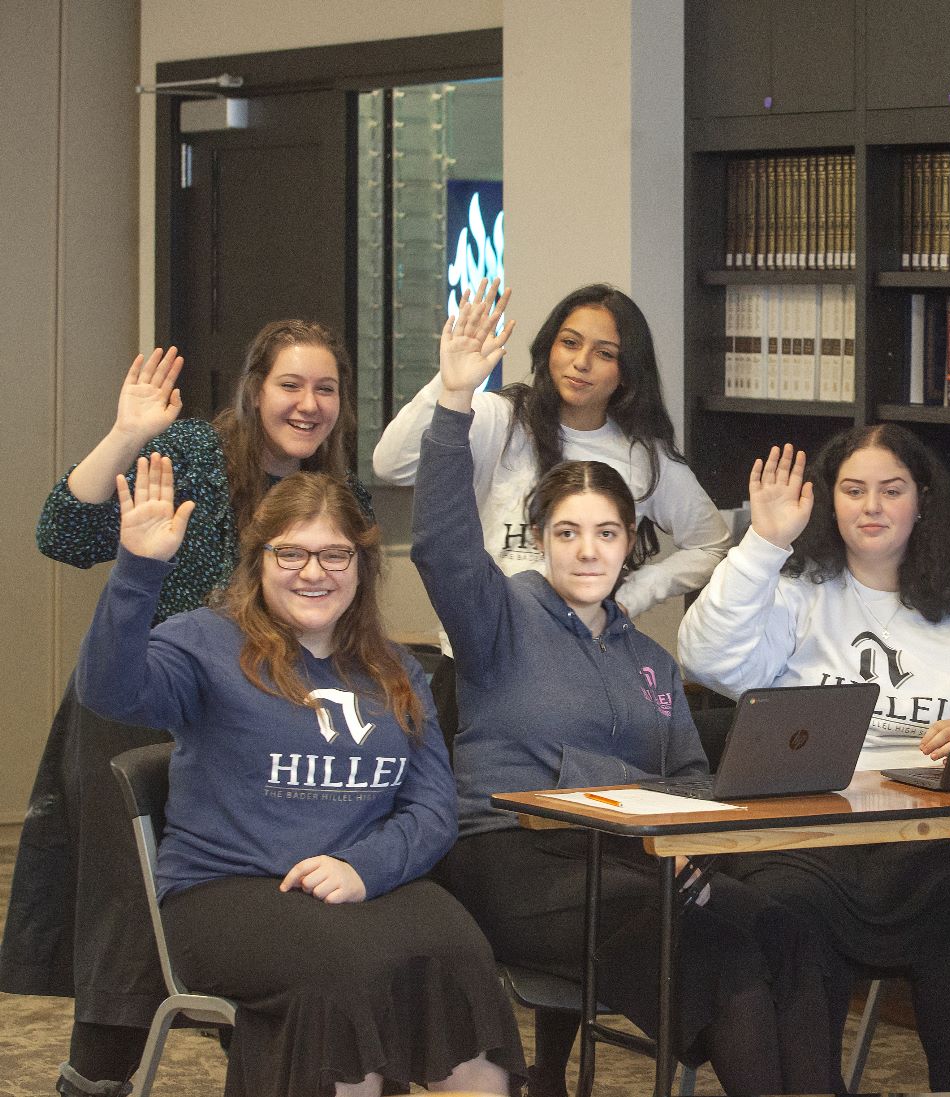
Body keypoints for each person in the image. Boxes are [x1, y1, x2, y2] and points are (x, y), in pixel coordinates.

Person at [410, 290, 832, 1097]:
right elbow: (438, 540)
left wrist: (686, 837)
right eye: (566, 532)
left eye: (607, 533)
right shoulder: (500, 616)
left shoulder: (646, 655)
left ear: (632, 544)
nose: (587, 550)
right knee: (728, 958)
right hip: (512, 857)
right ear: (539, 541)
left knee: (788, 932)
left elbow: (688, 773)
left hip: (632, 863)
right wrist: (454, 400)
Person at [2, 322, 373, 1097]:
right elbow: (63, 532)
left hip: (253, 730)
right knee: (129, 924)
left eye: (325, 388)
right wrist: (126, 435)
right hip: (140, 710)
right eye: (290, 385)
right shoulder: (197, 455)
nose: (308, 404)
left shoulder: (341, 494)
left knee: (259, 905)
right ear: (254, 387)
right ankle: (92, 1083)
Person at [75, 462, 525, 1096]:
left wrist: (363, 868)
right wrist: (138, 570)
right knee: (343, 973)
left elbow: (431, 811)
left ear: (363, 566)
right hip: (224, 890)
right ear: (259, 560)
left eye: (336, 555)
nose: (314, 573)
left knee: (461, 954)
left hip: (361, 883)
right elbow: (107, 691)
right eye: (291, 553)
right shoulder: (205, 643)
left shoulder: (396, 667)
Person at [676, 426, 950, 1091]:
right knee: (786, 910)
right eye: (853, 489)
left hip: (930, 839)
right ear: (828, 500)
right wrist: (763, 544)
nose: (871, 506)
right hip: (805, 837)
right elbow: (704, 659)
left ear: (922, 501)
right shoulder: (794, 591)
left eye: (891, 489)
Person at [372, 279, 730, 620]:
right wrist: (449, 385)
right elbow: (393, 465)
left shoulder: (643, 457)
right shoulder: (500, 417)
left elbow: (712, 546)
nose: (582, 362)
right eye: (570, 343)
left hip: (582, 654)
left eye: (604, 353)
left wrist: (631, 596)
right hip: (478, 654)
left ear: (627, 372)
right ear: (549, 347)